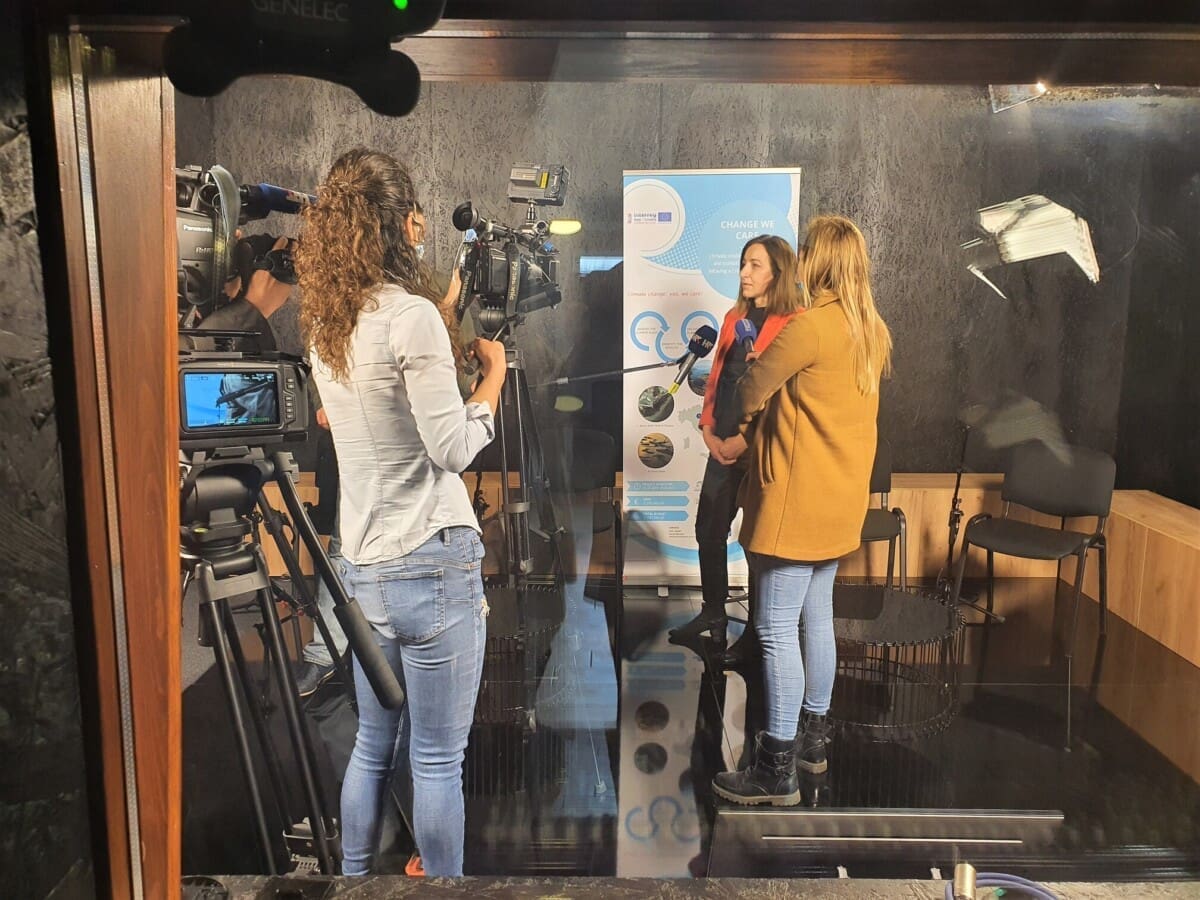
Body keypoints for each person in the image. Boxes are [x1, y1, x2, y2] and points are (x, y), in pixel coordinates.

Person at [295, 147, 507, 876]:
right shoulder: (410, 318)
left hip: (364, 569)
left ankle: (354, 884)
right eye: (414, 215)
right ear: (397, 222)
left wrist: (439, 327)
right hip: (434, 565)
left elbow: (371, 407)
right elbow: (452, 448)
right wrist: (493, 383)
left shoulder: (329, 324)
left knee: (372, 745)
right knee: (438, 760)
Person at [712, 215, 893, 805]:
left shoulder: (811, 327)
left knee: (772, 627)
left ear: (820, 260)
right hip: (840, 505)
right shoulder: (870, 329)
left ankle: (776, 768)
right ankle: (814, 741)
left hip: (796, 505)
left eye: (809, 250)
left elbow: (747, 391)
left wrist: (745, 423)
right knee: (817, 617)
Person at [670, 235, 801, 673]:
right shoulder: (733, 318)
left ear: (778, 273)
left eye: (755, 265)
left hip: (761, 450)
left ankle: (758, 635)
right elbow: (717, 379)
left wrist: (745, 441)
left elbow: (784, 397)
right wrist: (708, 430)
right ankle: (713, 613)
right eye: (744, 263)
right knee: (708, 528)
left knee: (759, 542)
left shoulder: (796, 324)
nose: (744, 272)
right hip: (721, 443)